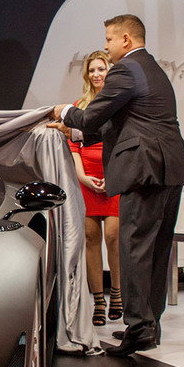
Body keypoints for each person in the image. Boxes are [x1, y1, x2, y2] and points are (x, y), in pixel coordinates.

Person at [52, 14, 184, 356]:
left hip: (143, 170)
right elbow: (122, 124)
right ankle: (149, 326)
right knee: (156, 250)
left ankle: (139, 328)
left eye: (109, 39)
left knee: (135, 249)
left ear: (126, 39)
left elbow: (90, 116)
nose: (106, 46)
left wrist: (63, 111)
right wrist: (75, 132)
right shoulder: (151, 68)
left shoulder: (126, 69)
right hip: (169, 169)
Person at [50, 50, 122, 327]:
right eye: (92, 70)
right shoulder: (79, 106)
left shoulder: (118, 104)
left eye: (101, 69)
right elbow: (74, 145)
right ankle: (98, 301)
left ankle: (117, 294)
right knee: (91, 239)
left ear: (109, 72)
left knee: (113, 237)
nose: (96, 74)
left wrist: (113, 176)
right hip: (87, 179)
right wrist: (82, 176)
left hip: (115, 178)